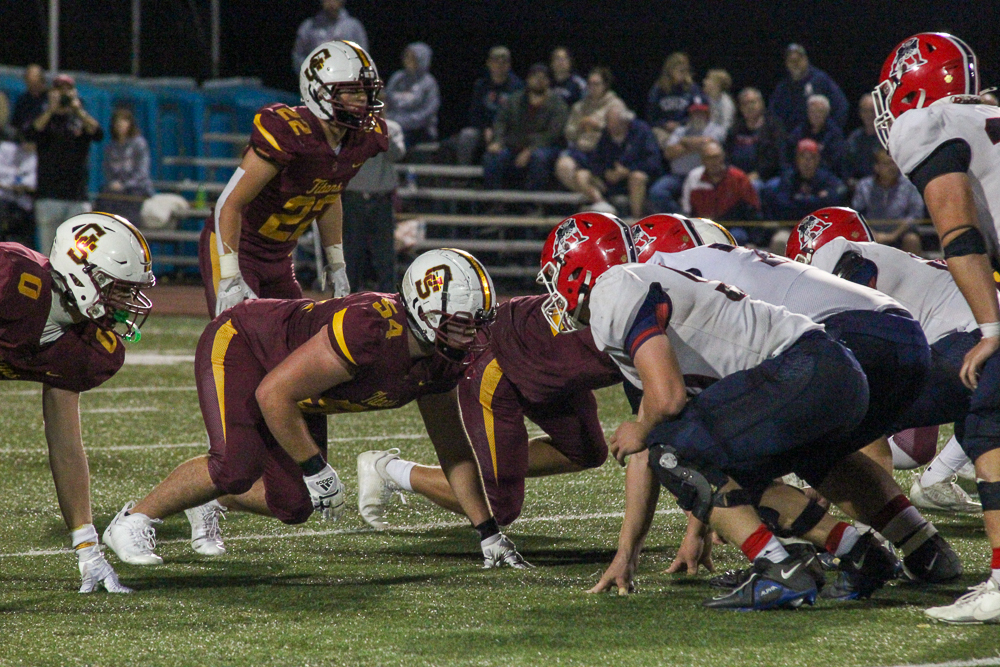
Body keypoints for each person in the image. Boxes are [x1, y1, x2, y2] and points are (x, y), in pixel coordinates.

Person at [103, 249, 529, 571]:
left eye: (476, 322)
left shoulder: (441, 361)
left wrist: (488, 533)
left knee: (293, 506)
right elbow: (274, 394)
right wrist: (314, 466)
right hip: (246, 345)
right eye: (458, 322)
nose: (468, 334)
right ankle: (133, 520)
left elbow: (453, 449)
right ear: (423, 307)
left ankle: (212, 500)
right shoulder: (370, 329)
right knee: (235, 464)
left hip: (297, 387)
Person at [538, 212, 868, 610]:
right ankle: (860, 549)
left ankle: (778, 569)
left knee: (673, 451)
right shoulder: (642, 291)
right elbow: (656, 439)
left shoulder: (614, 288)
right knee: (722, 464)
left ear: (577, 267)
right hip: (827, 369)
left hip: (801, 368)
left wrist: (639, 430)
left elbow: (667, 405)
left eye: (555, 273)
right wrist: (627, 555)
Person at [864, 32, 1000, 622]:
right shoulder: (982, 115)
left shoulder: (927, 124)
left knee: (986, 406)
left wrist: (990, 325)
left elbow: (959, 233)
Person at [356, 291, 622, 530]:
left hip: (547, 367)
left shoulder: (644, 302)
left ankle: (500, 468)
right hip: (498, 360)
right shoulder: (642, 314)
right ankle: (390, 470)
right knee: (497, 506)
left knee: (586, 451)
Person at [788, 207, 984, 516]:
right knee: (984, 430)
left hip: (969, 343)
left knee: (861, 411)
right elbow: (914, 448)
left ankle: (883, 529)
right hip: (976, 339)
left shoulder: (837, 255)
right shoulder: (894, 264)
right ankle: (936, 482)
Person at [0, 212, 155, 593]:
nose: (127, 302)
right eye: (120, 289)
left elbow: (66, 447)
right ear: (86, 276)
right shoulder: (11, 279)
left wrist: (88, 547)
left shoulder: (83, 345)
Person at [198, 40, 388, 319]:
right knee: (239, 335)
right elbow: (230, 203)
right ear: (319, 92)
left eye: (366, 91)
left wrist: (336, 263)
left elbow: (329, 194)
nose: (363, 99)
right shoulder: (290, 131)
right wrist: (229, 273)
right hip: (240, 247)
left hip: (280, 255)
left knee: (292, 339)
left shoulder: (358, 139)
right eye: (353, 91)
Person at [23, 74, 103, 254]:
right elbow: (30, 133)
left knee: (79, 256)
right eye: (59, 90)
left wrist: (78, 110)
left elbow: (98, 133)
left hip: (77, 197)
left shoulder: (79, 120)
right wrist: (51, 109)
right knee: (48, 254)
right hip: (48, 196)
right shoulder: (45, 118)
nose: (64, 94)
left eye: (68, 90)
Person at [483, 63, 568, 194]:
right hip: (515, 143)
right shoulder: (514, 100)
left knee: (539, 157)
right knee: (493, 156)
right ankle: (493, 201)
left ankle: (533, 203)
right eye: (535, 77)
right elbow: (500, 121)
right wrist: (498, 141)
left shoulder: (558, 104)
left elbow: (553, 134)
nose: (539, 81)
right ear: (528, 80)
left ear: (548, 81)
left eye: (543, 78)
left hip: (544, 147)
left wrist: (530, 150)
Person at [342, 118, 405, 293]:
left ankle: (389, 299)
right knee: (352, 253)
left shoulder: (392, 128)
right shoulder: (348, 127)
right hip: (353, 196)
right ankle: (347, 300)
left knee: (385, 255)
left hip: (381, 198)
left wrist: (383, 135)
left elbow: (397, 154)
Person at [568, 102, 660, 218]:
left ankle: (636, 219)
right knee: (581, 175)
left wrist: (627, 170)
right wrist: (606, 172)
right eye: (609, 124)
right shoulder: (606, 134)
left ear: (625, 122)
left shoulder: (641, 131)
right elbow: (595, 161)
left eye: (616, 125)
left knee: (637, 177)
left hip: (634, 178)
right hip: (610, 179)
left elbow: (653, 161)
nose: (612, 129)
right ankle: (603, 205)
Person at [647, 96, 727, 213]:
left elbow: (709, 145)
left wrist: (683, 142)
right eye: (695, 113)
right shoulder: (680, 131)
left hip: (704, 176)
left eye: (701, 112)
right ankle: (682, 219)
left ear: (707, 114)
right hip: (679, 176)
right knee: (657, 192)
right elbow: (669, 153)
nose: (698, 116)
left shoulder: (716, 129)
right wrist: (697, 145)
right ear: (689, 114)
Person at [553, 67, 622, 198]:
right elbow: (568, 133)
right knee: (563, 166)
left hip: (604, 152)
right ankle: (596, 196)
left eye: (596, 84)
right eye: (589, 84)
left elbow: (621, 131)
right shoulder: (579, 106)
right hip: (581, 150)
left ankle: (595, 199)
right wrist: (580, 127)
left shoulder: (615, 104)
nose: (592, 87)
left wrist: (598, 126)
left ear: (605, 85)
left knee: (582, 176)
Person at [451, 46, 524, 166]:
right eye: (496, 62)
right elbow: (475, 113)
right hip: (484, 129)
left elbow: (518, 116)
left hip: (507, 131)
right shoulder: (481, 85)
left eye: (503, 62)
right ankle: (463, 176)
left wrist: (498, 131)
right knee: (467, 135)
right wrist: (485, 128)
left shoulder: (518, 87)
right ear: (489, 63)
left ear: (509, 65)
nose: (499, 66)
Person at [851, 148, 925, 254]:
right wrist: (872, 233)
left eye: (894, 163)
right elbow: (856, 214)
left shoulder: (909, 185)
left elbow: (915, 214)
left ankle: (915, 271)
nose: (892, 168)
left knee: (912, 240)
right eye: (886, 164)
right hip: (871, 234)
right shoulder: (864, 186)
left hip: (900, 234)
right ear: (876, 167)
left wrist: (894, 235)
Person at [769, 43, 849, 131]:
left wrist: (831, 133)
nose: (795, 64)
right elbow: (773, 115)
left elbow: (841, 106)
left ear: (806, 59)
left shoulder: (820, 80)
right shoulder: (782, 88)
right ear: (786, 64)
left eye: (799, 59)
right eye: (791, 61)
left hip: (819, 138)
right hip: (793, 139)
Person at [765, 138, 846, 224]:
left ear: (817, 160)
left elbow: (839, 193)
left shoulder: (825, 178)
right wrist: (817, 200)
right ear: (797, 160)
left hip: (821, 227)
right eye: (803, 157)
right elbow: (783, 205)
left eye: (811, 158)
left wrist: (798, 200)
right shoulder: (789, 178)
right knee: (780, 237)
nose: (807, 163)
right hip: (793, 226)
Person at [95, 108, 153, 224]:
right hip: (116, 189)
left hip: (136, 188)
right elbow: (107, 170)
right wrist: (113, 183)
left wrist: (124, 184)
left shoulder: (138, 144)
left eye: (123, 122)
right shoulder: (111, 147)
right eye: (117, 123)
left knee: (130, 207)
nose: (120, 126)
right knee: (103, 201)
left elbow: (142, 172)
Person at [680, 140, 760, 224]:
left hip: (733, 227)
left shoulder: (738, 177)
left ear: (723, 157)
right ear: (702, 160)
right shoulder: (693, 177)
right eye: (709, 158)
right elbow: (687, 209)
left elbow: (752, 208)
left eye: (716, 157)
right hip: (702, 227)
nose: (714, 162)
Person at [724, 87, 787, 184]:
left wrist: (757, 174)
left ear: (761, 104)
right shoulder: (735, 129)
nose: (749, 106)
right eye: (745, 104)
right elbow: (726, 155)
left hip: (765, 177)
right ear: (740, 108)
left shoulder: (773, 127)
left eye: (753, 102)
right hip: (736, 176)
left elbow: (776, 158)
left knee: (753, 185)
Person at [383, 42, 439, 149]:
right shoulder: (397, 78)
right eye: (406, 56)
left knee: (397, 137)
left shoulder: (429, 83)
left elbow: (427, 112)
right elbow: (386, 101)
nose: (407, 60)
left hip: (419, 128)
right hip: (394, 123)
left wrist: (403, 121)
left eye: (412, 57)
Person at [291, 0, 369, 73]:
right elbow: (298, 55)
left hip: (347, 79)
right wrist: (310, 73)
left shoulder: (353, 26)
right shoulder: (309, 27)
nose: (331, 2)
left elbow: (363, 55)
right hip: (317, 79)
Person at [646, 52, 701, 148]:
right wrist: (664, 124)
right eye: (680, 71)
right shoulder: (658, 89)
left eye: (685, 71)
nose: (683, 74)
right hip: (663, 129)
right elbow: (651, 116)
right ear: (670, 71)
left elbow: (698, 112)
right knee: (665, 141)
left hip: (685, 128)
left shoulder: (692, 89)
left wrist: (681, 124)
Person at [785, 95, 847, 175]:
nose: (816, 115)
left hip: (825, 175)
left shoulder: (834, 134)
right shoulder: (799, 132)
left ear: (826, 114)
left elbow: (834, 161)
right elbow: (788, 155)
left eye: (820, 111)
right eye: (812, 111)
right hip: (799, 174)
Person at [0, 135, 37, 246]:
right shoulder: (7, 149)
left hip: (24, 207)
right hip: (4, 201)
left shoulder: (38, 156)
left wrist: (14, 186)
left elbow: (32, 185)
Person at [843, 93, 880, 184]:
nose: (869, 115)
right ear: (860, 113)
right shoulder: (854, 138)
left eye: (872, 111)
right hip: (858, 186)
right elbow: (846, 166)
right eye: (865, 111)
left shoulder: (887, 138)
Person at [11, 64, 47, 133]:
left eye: (35, 78)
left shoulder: (49, 98)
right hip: (28, 137)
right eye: (29, 79)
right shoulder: (22, 100)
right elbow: (17, 125)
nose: (32, 83)